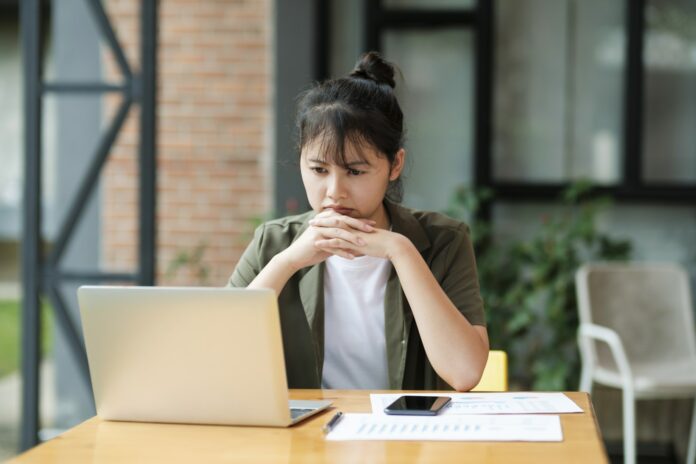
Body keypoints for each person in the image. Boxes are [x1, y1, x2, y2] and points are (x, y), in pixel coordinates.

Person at [228, 51, 488, 392]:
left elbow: (465, 373)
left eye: (355, 171)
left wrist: (401, 250)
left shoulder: (444, 240)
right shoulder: (274, 243)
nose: (335, 192)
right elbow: (222, 358)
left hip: (408, 439)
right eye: (319, 170)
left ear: (395, 165)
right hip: (303, 440)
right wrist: (288, 261)